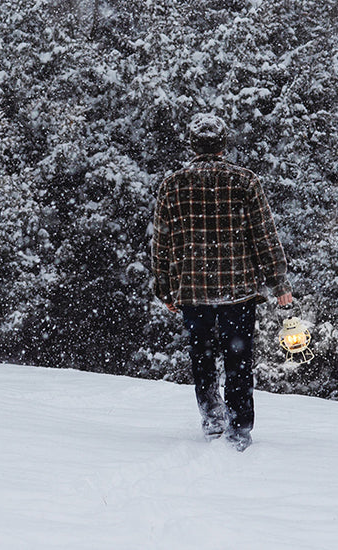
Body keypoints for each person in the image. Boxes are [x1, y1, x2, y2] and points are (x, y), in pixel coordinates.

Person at [151, 113, 293, 451]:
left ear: (192, 144)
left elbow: (162, 244)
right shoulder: (244, 181)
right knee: (238, 360)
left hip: (194, 290)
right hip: (238, 289)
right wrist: (279, 283)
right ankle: (239, 428)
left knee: (202, 357)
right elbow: (264, 236)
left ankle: (212, 418)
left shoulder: (173, 185)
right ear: (223, 143)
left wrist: (164, 288)